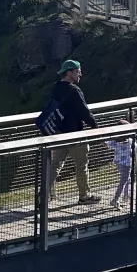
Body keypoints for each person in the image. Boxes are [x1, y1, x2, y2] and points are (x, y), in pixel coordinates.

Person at [45, 59, 101, 205]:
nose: (80, 74)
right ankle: (84, 196)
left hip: (60, 133)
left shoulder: (56, 88)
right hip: (76, 134)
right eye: (77, 71)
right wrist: (96, 128)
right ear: (69, 72)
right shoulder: (74, 90)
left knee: (55, 165)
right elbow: (84, 112)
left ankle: (43, 195)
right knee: (81, 165)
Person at [107, 135, 133, 209]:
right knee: (123, 182)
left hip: (118, 163)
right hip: (127, 165)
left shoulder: (116, 142)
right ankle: (115, 200)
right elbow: (136, 148)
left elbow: (108, 145)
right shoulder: (130, 141)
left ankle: (126, 195)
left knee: (127, 179)